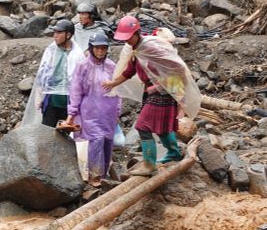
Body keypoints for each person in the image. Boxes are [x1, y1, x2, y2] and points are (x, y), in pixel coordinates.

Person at [102, 15, 200, 176]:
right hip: (151, 92)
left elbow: (178, 68)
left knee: (142, 127)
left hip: (163, 93)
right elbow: (129, 71)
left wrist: (163, 86)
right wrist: (113, 83)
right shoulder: (136, 50)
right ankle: (174, 152)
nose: (126, 41)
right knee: (161, 128)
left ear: (137, 33)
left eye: (129, 38)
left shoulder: (151, 47)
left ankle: (149, 164)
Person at [62, 31, 122, 187]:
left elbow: (118, 90)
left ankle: (104, 172)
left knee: (108, 141)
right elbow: (75, 90)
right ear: (91, 48)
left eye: (103, 48)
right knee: (96, 139)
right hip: (90, 111)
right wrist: (72, 113)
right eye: (97, 48)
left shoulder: (111, 66)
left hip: (108, 110)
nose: (100, 51)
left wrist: (118, 111)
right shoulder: (83, 66)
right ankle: (94, 175)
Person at [23, 19, 82, 128]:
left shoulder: (77, 54)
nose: (55, 36)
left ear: (68, 35)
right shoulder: (51, 50)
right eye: (54, 32)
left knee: (65, 135)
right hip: (52, 98)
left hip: (68, 100)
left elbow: (80, 80)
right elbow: (43, 73)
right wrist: (39, 93)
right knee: (46, 131)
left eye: (59, 33)